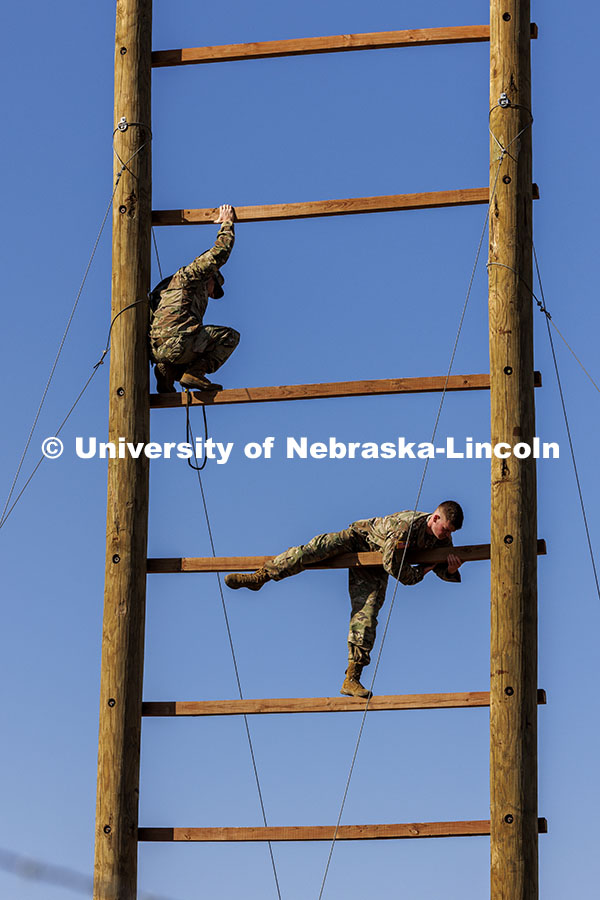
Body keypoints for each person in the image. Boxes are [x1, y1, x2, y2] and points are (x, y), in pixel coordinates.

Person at [225, 501, 464, 698]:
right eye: (446, 529)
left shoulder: (442, 538)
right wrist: (418, 575)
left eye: (451, 532)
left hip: (375, 564)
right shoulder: (405, 527)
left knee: (366, 615)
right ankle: (261, 576)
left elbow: (438, 565)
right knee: (311, 551)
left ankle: (352, 678)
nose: (447, 535)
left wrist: (450, 571)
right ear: (434, 518)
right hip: (359, 539)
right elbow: (394, 564)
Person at [149, 204, 238, 392]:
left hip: (159, 349)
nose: (213, 295)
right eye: (215, 288)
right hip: (178, 344)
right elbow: (218, 255)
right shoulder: (192, 275)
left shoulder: (167, 288)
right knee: (229, 337)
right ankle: (195, 373)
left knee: (194, 341)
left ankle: (168, 371)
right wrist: (227, 223)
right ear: (210, 277)